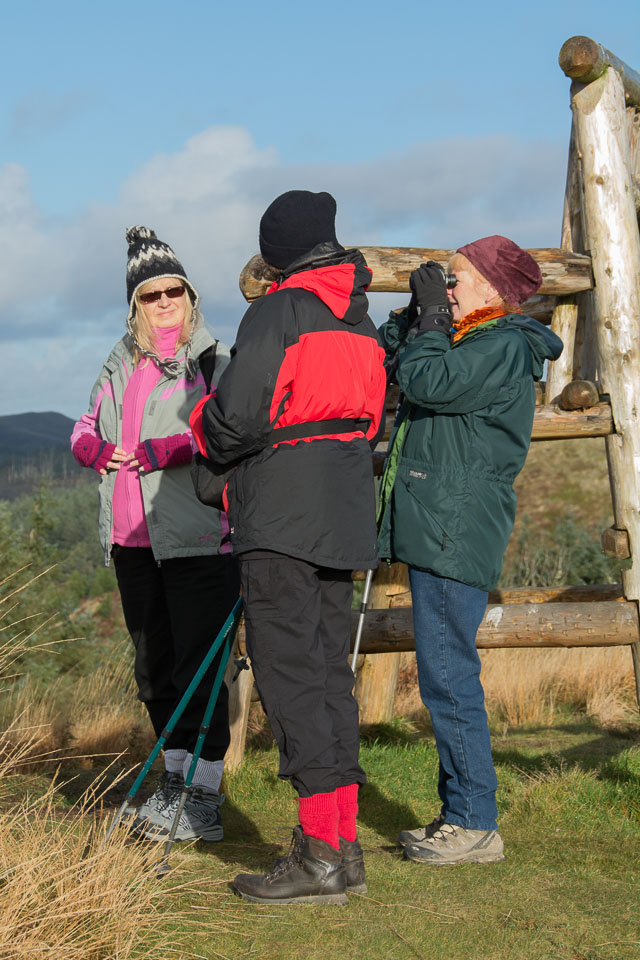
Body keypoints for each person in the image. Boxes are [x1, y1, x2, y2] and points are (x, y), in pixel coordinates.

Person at [190, 190, 387, 903]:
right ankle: (343, 847)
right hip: (344, 508)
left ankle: (318, 858)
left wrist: (203, 422)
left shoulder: (277, 310)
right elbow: (374, 417)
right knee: (330, 675)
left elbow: (236, 420)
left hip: (281, 511)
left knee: (291, 676)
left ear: (276, 251)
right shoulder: (363, 320)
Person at [377, 236, 563, 865]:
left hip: (456, 524)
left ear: (494, 288)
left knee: (450, 678)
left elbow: (428, 382)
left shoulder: (504, 344)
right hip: (442, 519)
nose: (448, 291)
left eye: (456, 280)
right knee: (444, 674)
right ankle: (458, 815)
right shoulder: (470, 337)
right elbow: (398, 360)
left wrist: (430, 321)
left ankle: (476, 823)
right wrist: (414, 318)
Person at [71, 225, 238, 842]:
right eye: (151, 293)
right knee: (155, 670)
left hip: (198, 536)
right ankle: (174, 784)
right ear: (134, 303)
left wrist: (165, 448)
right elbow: (84, 425)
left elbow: (228, 430)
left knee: (200, 669)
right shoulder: (119, 361)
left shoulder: (214, 359)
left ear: (190, 295)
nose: (165, 301)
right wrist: (91, 447)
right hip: (132, 539)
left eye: (174, 290)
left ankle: (204, 798)